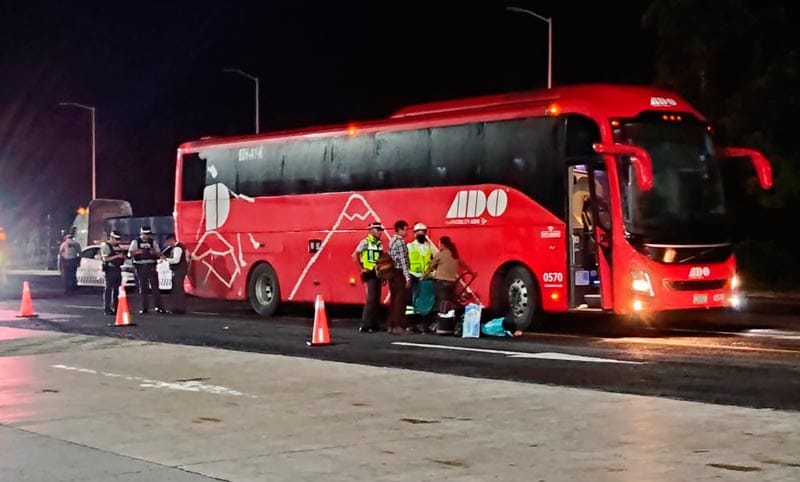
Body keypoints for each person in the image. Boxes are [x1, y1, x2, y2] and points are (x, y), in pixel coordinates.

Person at [423, 236, 473, 335]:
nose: (438, 245)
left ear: (443, 244)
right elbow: (463, 263)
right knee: (450, 302)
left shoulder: (441, 255)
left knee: (441, 303)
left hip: (441, 282)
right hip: (451, 283)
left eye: (439, 243)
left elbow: (430, 267)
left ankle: (442, 326)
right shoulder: (454, 254)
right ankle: (452, 325)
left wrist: (423, 277)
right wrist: (472, 272)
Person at [352, 222, 384, 333]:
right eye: (378, 230)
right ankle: (365, 324)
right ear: (371, 230)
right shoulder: (365, 242)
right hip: (370, 273)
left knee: (376, 299)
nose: (380, 232)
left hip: (378, 273)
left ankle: (374, 324)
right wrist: (362, 268)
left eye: (380, 230)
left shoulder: (379, 243)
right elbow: (355, 255)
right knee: (371, 299)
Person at [405, 222, 438, 329]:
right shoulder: (409, 246)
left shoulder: (429, 247)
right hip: (413, 276)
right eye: (419, 232)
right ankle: (411, 323)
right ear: (414, 234)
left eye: (423, 232)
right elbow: (405, 262)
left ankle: (423, 323)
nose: (421, 234)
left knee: (424, 302)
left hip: (426, 278)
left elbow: (434, 260)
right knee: (412, 302)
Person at [128, 226, 165, 314]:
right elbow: (130, 254)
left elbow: (159, 253)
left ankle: (159, 307)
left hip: (151, 266)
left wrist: (154, 253)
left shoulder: (153, 242)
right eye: (144, 234)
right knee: (143, 288)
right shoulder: (136, 242)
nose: (146, 236)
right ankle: (144, 307)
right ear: (141, 233)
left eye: (148, 234)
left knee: (155, 287)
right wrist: (138, 252)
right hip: (140, 266)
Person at [386, 220, 411, 334]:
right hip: (399, 273)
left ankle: (391, 325)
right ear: (399, 230)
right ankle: (398, 326)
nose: (406, 232)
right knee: (400, 301)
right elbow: (403, 260)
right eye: (405, 229)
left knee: (394, 298)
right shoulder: (400, 242)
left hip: (392, 273)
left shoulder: (392, 241)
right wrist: (407, 277)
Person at [100, 230, 125, 315]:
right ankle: (107, 309)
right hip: (110, 270)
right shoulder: (106, 246)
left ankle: (116, 307)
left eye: (119, 239)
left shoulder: (118, 247)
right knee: (108, 290)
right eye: (116, 239)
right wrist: (117, 256)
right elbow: (106, 259)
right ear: (111, 238)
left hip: (118, 269)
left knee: (117, 290)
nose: (118, 241)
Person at [161, 234, 188, 314]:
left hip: (178, 270)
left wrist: (166, 259)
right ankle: (178, 307)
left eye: (168, 242)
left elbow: (176, 260)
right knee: (177, 289)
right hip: (179, 270)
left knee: (177, 290)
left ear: (172, 240)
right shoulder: (177, 247)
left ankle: (179, 308)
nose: (168, 244)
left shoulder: (177, 248)